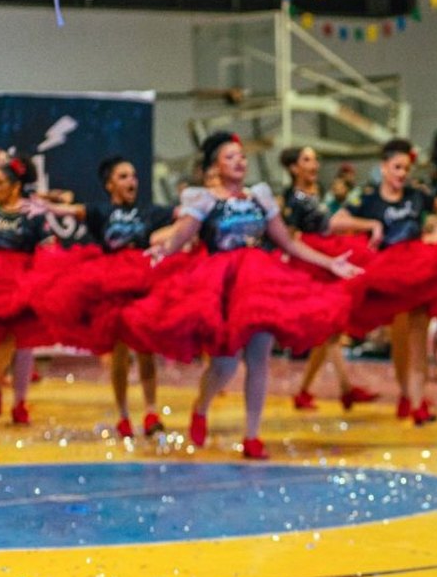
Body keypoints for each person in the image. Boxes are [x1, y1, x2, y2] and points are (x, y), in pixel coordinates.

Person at [124, 132, 360, 459]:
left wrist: (330, 262)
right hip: (222, 286)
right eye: (230, 157)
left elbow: (287, 242)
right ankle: (202, 406)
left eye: (242, 157)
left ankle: (252, 435)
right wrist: (159, 251)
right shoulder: (204, 200)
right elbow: (179, 238)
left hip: (259, 281)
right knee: (224, 364)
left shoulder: (260, 197)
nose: (240, 162)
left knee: (259, 358)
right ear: (216, 165)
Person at [23, 156, 177, 438]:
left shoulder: (150, 211)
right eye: (123, 177)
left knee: (146, 350)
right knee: (118, 353)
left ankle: (152, 411)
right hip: (112, 286)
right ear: (109, 185)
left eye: (133, 176)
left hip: (142, 283)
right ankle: (123, 415)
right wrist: (47, 206)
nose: (131, 181)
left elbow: (183, 218)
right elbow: (72, 210)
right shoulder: (100, 211)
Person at [345, 139, 437, 425]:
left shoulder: (416, 194)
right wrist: (370, 226)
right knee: (399, 342)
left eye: (405, 168)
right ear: (384, 168)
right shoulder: (368, 198)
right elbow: (337, 220)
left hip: (419, 271)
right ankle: (406, 395)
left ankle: (416, 401)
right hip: (390, 276)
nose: (401, 173)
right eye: (397, 167)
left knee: (417, 339)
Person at [276, 146, 385, 412]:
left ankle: (324, 390)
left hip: (325, 258)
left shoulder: (316, 191)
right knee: (329, 329)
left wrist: (364, 224)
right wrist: (368, 224)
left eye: (315, 159)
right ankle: (338, 389)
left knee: (331, 330)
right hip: (311, 263)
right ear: (293, 168)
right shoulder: (293, 199)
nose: (314, 164)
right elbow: (289, 237)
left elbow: (330, 223)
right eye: (307, 159)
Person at [0, 157, 51, 425]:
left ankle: (19, 402)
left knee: (23, 344)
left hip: (22, 283)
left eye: (0, 183)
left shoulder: (32, 214)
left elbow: (48, 246)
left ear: (15, 187)